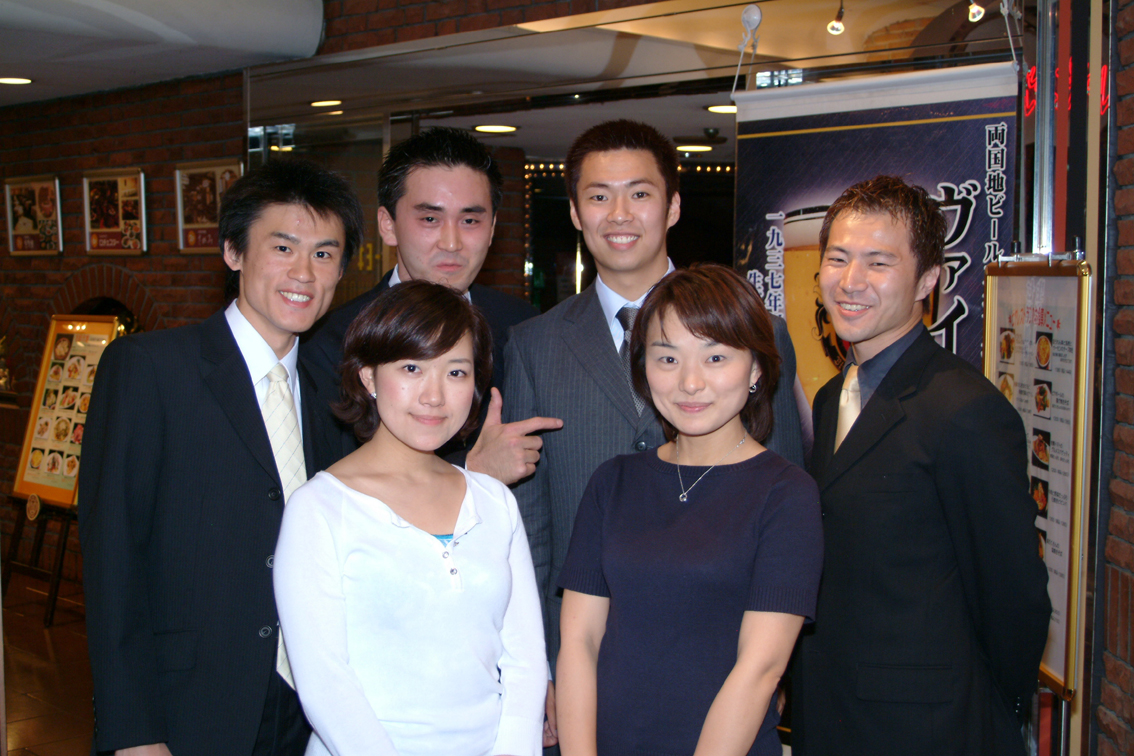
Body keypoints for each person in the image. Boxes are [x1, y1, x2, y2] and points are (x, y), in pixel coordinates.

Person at [501, 120, 806, 727]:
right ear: (575, 212)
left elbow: (784, 485)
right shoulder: (534, 345)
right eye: (598, 196)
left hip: (724, 653)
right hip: (584, 658)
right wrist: (542, 667)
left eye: (639, 193)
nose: (619, 214)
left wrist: (775, 669)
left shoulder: (756, 332)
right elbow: (530, 529)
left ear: (673, 207)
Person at [79, 158, 365, 756]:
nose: (304, 273)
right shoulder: (150, 369)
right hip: (190, 707)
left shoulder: (333, 393)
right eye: (282, 247)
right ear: (233, 251)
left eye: (323, 254)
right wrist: (134, 732)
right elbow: (113, 558)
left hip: (312, 709)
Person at [792, 175, 1051, 755]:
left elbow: (1014, 597)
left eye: (878, 262)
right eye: (838, 258)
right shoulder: (833, 397)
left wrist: (987, 714)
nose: (851, 282)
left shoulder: (965, 410)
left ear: (928, 280)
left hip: (927, 729)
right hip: (830, 712)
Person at [555, 264, 823, 756]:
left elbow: (760, 669)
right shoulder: (612, 482)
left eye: (715, 357)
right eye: (668, 358)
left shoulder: (786, 494)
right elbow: (579, 642)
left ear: (756, 369)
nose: (690, 382)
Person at [274, 280, 547, 756]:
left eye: (456, 372)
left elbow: (525, 662)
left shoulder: (494, 501)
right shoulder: (319, 508)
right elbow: (325, 683)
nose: (434, 396)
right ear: (368, 377)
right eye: (412, 368)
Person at [303, 126, 559, 478]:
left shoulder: (523, 327)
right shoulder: (331, 343)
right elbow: (329, 476)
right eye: (430, 219)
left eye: (470, 220)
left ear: (492, 228)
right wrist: (470, 469)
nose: (451, 242)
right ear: (388, 225)